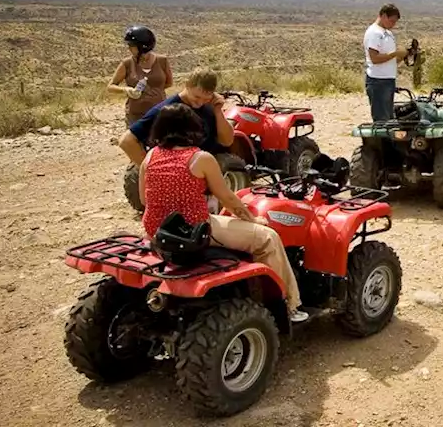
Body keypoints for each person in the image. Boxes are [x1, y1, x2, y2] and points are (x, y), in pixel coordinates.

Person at [139, 103, 307, 323]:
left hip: (157, 230)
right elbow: (227, 197)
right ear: (191, 128)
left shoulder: (150, 157)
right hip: (193, 231)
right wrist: (252, 218)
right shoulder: (200, 158)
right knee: (268, 238)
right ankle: (288, 305)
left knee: (225, 221)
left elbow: (144, 199)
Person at [119, 68, 234, 167]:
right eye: (196, 97)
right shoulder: (167, 110)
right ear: (187, 85)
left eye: (205, 98)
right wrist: (151, 171)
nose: (200, 103)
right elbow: (126, 141)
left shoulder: (209, 107)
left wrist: (218, 111)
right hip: (180, 173)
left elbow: (227, 141)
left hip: (206, 167)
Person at [106, 25, 173, 126]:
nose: (128, 48)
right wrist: (127, 90)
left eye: (131, 45)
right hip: (135, 116)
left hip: (159, 113)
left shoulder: (162, 61)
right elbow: (110, 87)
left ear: (143, 46)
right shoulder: (127, 63)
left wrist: (153, 92)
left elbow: (169, 83)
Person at [364, 4, 408, 122]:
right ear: (383, 16)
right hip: (378, 81)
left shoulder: (388, 34)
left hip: (388, 80)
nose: (393, 24)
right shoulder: (374, 33)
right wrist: (395, 53)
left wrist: (402, 56)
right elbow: (375, 58)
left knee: (389, 118)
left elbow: (390, 60)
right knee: (381, 119)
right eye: (391, 21)